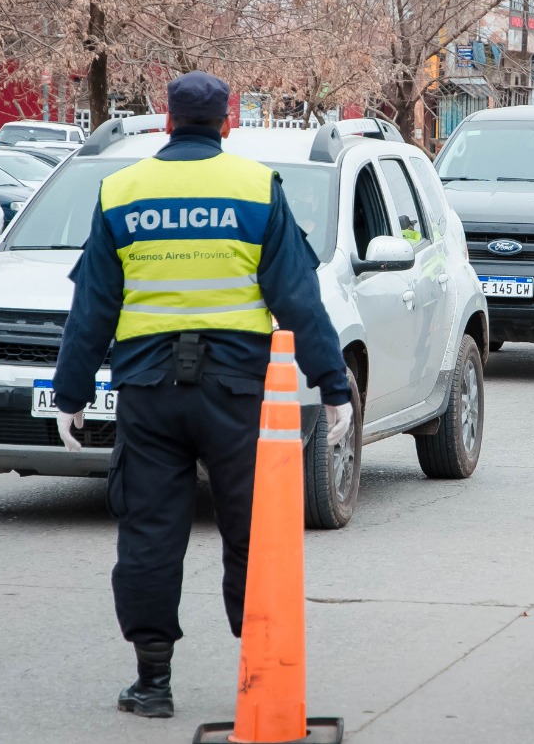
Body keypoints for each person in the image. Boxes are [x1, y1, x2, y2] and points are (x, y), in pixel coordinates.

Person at [52, 70, 352, 719]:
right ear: (226, 123)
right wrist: (333, 381)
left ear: (165, 121)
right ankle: (259, 668)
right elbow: (297, 295)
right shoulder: (254, 188)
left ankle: (152, 681)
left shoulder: (120, 191)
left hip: (148, 391)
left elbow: (93, 306)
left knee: (151, 532)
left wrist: (69, 394)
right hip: (236, 391)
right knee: (252, 531)